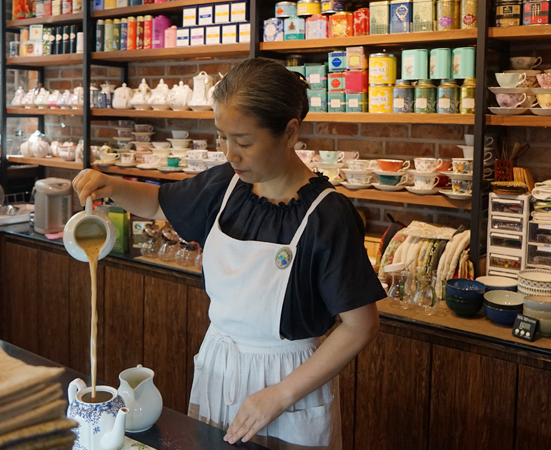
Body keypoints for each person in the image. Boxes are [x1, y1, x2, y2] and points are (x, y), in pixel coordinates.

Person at [73, 58, 385, 450]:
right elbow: (157, 203)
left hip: (290, 382)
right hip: (219, 367)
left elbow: (361, 325)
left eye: (244, 141)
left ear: (290, 133)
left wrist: (280, 395)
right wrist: (112, 184)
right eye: (222, 137)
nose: (231, 153)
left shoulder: (327, 215)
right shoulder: (226, 184)